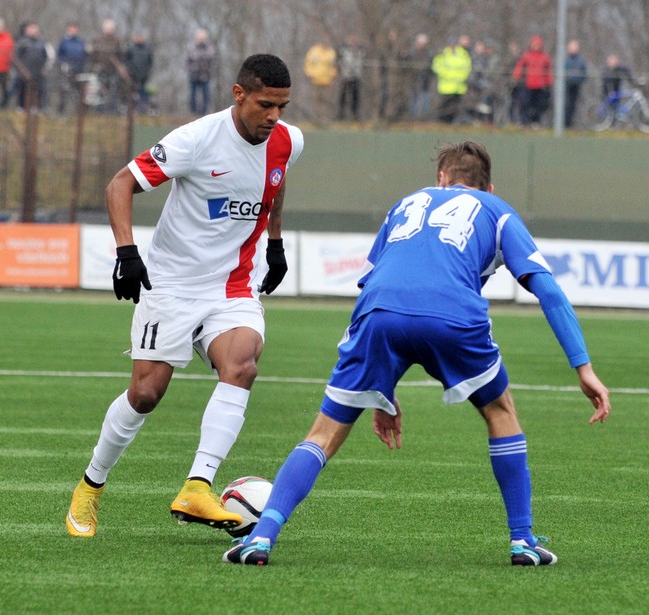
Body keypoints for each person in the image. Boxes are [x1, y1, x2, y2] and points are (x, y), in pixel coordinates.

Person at [223, 140, 610, 567]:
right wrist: (583, 367)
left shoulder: (405, 205)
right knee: (500, 410)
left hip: (378, 316)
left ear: (441, 179)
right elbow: (547, 290)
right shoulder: (497, 210)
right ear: (489, 187)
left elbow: (373, 286)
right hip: (452, 316)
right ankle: (522, 541)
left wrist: (380, 389)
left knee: (322, 434)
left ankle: (261, 538)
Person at [65, 54, 305, 539]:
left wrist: (275, 243)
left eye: (282, 106)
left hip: (233, 286)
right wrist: (127, 253)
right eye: (265, 105)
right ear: (239, 94)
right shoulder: (195, 140)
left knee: (242, 364)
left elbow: (276, 184)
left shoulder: (288, 141)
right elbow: (120, 184)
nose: (274, 116)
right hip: (172, 284)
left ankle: (198, 486)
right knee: (146, 394)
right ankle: (90, 486)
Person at [512, 34, 553, 127]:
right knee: (525, 103)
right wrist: (516, 77)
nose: (536, 46)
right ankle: (523, 121)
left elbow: (548, 70)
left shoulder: (545, 57)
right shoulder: (526, 56)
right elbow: (520, 67)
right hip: (528, 84)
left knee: (539, 105)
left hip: (540, 85)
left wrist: (549, 82)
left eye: (538, 44)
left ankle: (536, 121)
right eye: (534, 44)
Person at [431, 35, 472, 123]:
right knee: (445, 107)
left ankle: (453, 122)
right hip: (446, 87)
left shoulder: (463, 54)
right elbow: (437, 66)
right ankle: (443, 123)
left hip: (459, 87)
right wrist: (448, 75)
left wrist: (460, 77)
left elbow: (467, 68)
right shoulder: (443, 54)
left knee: (456, 107)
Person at [90, 18, 124, 113]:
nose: (109, 30)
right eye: (107, 28)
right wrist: (93, 67)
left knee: (113, 91)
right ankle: (99, 112)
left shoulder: (117, 41)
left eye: (111, 29)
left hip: (113, 71)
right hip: (100, 70)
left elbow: (121, 56)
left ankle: (112, 112)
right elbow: (92, 56)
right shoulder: (97, 40)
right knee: (100, 91)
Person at [13, 22, 48, 110]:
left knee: (36, 90)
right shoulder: (22, 42)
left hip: (37, 71)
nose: (34, 31)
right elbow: (16, 57)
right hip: (24, 71)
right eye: (32, 29)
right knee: (23, 89)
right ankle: (20, 107)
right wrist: (21, 69)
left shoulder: (41, 43)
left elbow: (45, 56)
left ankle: (35, 107)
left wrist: (42, 68)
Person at [303, 37, 336, 126]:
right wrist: (310, 73)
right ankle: (316, 120)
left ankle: (325, 120)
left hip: (327, 81)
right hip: (316, 80)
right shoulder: (314, 51)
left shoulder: (331, 53)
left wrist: (332, 76)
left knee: (326, 101)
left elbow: (333, 66)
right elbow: (308, 63)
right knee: (316, 101)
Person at [56, 22, 88, 114]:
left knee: (80, 91)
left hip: (79, 70)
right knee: (64, 90)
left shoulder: (81, 42)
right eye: (72, 28)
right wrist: (63, 65)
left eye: (75, 29)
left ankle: (80, 112)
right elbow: (59, 55)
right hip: (67, 71)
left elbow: (85, 55)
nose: (73, 30)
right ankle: (61, 111)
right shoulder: (64, 41)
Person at [336, 33, 366, 121]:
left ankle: (355, 115)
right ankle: (341, 114)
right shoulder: (344, 50)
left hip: (356, 76)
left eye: (354, 40)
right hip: (346, 76)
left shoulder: (360, 50)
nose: (353, 42)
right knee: (343, 96)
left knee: (355, 97)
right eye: (351, 40)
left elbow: (362, 61)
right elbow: (339, 61)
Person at [186, 29, 216, 116]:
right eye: (200, 38)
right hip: (193, 76)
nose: (201, 39)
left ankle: (204, 113)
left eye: (203, 38)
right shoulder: (191, 48)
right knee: (192, 95)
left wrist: (210, 71)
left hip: (205, 76)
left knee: (206, 95)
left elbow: (213, 62)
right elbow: (187, 61)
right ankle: (193, 112)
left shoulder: (210, 49)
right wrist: (190, 70)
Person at [125, 32, 154, 113]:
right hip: (132, 75)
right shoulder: (131, 48)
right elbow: (126, 60)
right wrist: (130, 71)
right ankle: (131, 109)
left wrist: (147, 72)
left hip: (144, 75)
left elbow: (150, 62)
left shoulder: (147, 49)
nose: (139, 39)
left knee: (143, 91)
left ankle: (143, 108)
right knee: (131, 92)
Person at [407, 33, 432, 120]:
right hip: (414, 80)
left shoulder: (429, 54)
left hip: (425, 81)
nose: (421, 45)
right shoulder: (412, 54)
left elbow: (430, 67)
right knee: (413, 100)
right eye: (420, 43)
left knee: (425, 100)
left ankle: (424, 119)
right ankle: (412, 118)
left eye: (423, 43)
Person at [563, 40, 587, 128]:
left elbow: (584, 72)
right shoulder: (565, 60)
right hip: (565, 86)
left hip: (576, 86)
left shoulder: (581, 60)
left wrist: (580, 80)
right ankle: (562, 123)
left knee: (572, 105)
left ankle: (569, 124)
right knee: (565, 104)